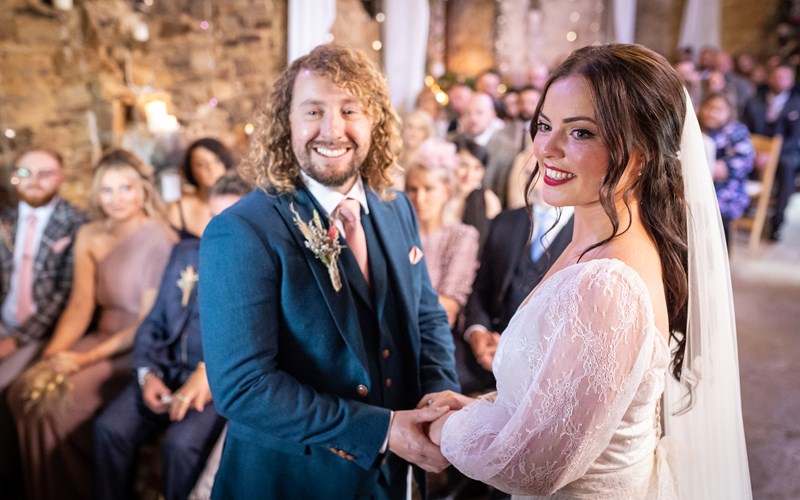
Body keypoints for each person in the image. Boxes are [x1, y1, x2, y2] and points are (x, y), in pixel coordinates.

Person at [426, 44, 751, 499]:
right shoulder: (590, 245)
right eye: (544, 126)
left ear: (640, 153)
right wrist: (478, 408)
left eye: (580, 133)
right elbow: (562, 398)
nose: (548, 149)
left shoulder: (609, 283)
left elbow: (533, 466)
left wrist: (443, 429)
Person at [198, 43, 459, 499]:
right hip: (294, 479)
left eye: (349, 110)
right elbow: (244, 387)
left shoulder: (396, 207)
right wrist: (380, 430)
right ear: (288, 123)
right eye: (313, 111)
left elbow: (425, 315)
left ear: (375, 119)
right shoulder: (240, 231)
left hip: (396, 477)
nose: (332, 130)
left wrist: (438, 399)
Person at [7, 148, 176, 500]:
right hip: (98, 334)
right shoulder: (90, 234)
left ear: (142, 189)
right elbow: (80, 305)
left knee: (58, 402)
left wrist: (82, 360)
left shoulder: (160, 238)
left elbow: (146, 324)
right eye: (107, 190)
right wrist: (54, 354)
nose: (116, 199)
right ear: (97, 194)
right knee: (24, 392)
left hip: (134, 348)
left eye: (125, 188)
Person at [93, 172, 251, 500]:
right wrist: (146, 373)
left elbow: (252, 340)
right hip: (164, 371)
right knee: (109, 429)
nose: (218, 226)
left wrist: (209, 373)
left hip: (216, 383)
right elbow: (153, 323)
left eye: (231, 216)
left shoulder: (258, 266)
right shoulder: (185, 254)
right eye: (213, 215)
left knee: (180, 446)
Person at [0, 148, 90, 499]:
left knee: (9, 392)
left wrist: (14, 342)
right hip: (4, 321)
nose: (34, 181)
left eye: (44, 173)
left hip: (41, 332)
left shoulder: (77, 223)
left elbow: (63, 298)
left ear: (61, 177)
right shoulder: (5, 219)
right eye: (26, 172)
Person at [405, 138, 480, 327]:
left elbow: (449, 305)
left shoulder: (462, 236)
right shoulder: (399, 233)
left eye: (428, 189)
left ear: (446, 190)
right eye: (413, 189)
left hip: (437, 340)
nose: (420, 198)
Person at [742, 62, 800, 240]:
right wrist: (755, 151)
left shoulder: (796, 104)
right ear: (770, 78)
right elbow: (745, 129)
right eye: (776, 76)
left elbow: (794, 138)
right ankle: (740, 208)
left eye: (784, 77)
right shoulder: (754, 100)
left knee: (787, 168)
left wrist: (772, 154)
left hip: (785, 152)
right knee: (740, 161)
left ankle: (777, 221)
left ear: (791, 81)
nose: (780, 81)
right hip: (754, 149)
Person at [698, 92, 755, 247]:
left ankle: (721, 260)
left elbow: (737, 166)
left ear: (729, 112)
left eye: (719, 109)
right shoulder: (694, 128)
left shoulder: (737, 132)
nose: (712, 113)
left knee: (716, 212)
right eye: (708, 107)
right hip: (697, 185)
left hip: (726, 189)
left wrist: (703, 168)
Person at [167, 137, 236, 239]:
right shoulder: (178, 209)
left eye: (217, 161)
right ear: (191, 170)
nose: (211, 168)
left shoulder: (240, 204)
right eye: (201, 164)